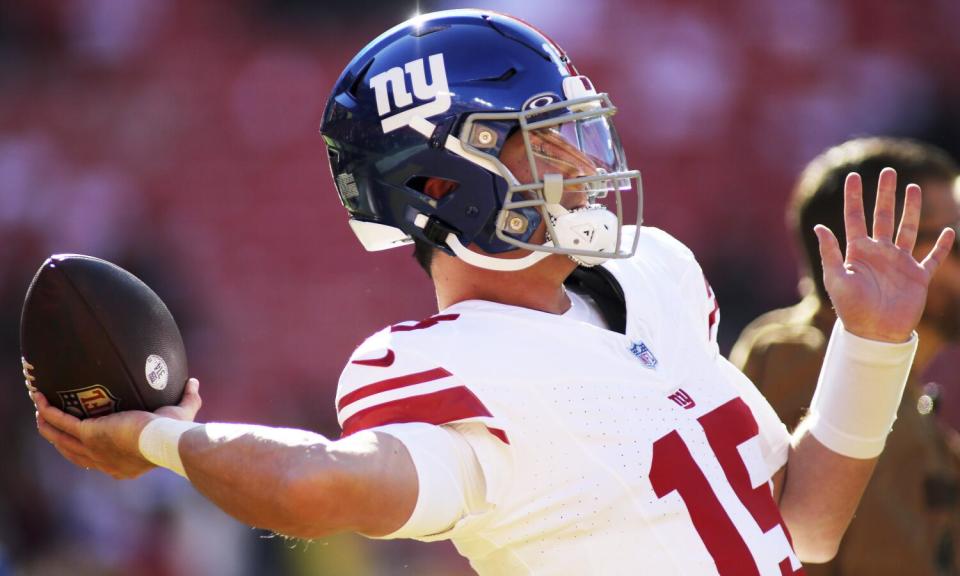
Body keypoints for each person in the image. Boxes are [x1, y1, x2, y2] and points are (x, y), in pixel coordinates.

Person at [25, 10, 958, 575]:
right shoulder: (447, 366)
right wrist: (160, 439)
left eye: (577, 132)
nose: (584, 163)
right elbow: (317, 486)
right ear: (440, 185)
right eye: (542, 142)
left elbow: (808, 528)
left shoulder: (657, 280)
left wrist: (872, 347)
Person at [730, 137, 960, 576]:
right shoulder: (799, 354)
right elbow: (779, 544)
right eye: (957, 238)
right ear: (888, 249)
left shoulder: (913, 405)